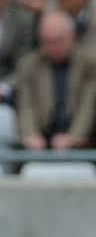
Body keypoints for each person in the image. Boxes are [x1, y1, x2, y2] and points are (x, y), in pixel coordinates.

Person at [15, 10, 96, 151]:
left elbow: (88, 106)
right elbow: (26, 106)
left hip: (83, 141)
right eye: (47, 41)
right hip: (42, 138)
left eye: (58, 41)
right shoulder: (29, 64)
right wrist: (31, 135)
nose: (52, 47)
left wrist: (73, 137)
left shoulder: (89, 63)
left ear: (72, 36)